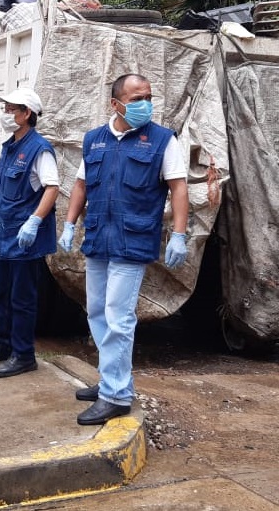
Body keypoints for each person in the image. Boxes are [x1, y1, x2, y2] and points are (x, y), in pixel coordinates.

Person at [58, 73, 189, 425]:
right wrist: (70, 223)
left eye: (148, 97)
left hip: (133, 240)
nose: (145, 104)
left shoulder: (162, 140)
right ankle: (110, 379)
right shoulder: (95, 140)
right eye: (136, 99)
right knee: (97, 313)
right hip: (99, 236)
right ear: (115, 104)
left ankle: (116, 396)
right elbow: (82, 185)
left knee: (119, 317)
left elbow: (178, 188)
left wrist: (179, 233)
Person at [0, 88, 60, 378]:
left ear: (27, 114)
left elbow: (52, 187)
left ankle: (24, 355)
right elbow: (4, 191)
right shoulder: (9, 146)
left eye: (12, 109)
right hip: (2, 233)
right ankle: (3, 344)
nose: (6, 114)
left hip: (24, 237)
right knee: (0, 293)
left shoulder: (40, 149)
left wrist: (34, 221)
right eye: (6, 108)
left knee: (22, 298)